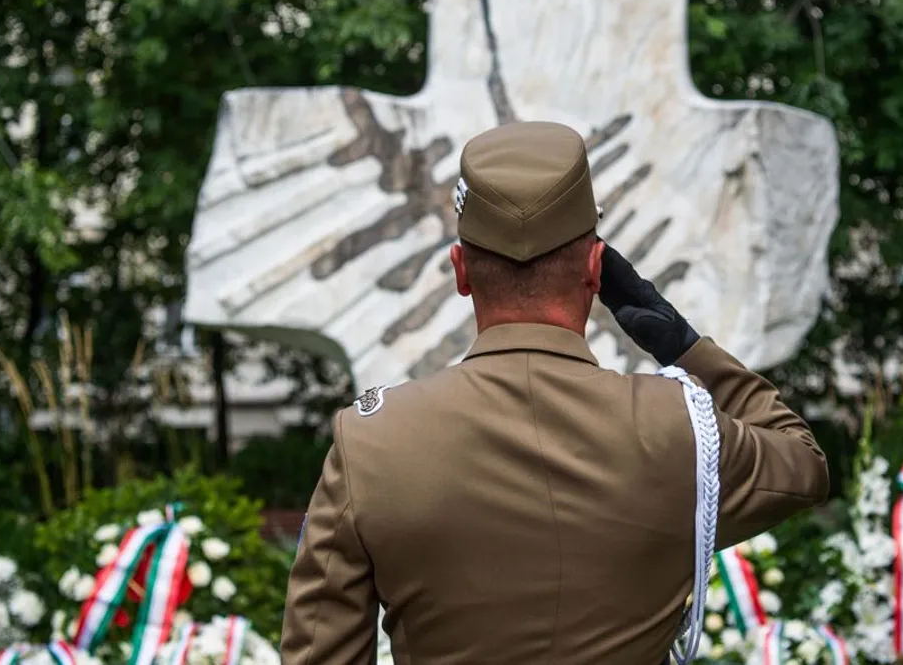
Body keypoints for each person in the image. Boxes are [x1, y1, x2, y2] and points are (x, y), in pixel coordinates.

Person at [280, 121, 830, 664]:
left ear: (460, 270)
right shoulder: (679, 431)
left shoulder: (374, 440)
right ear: (596, 268)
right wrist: (685, 346)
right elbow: (803, 463)